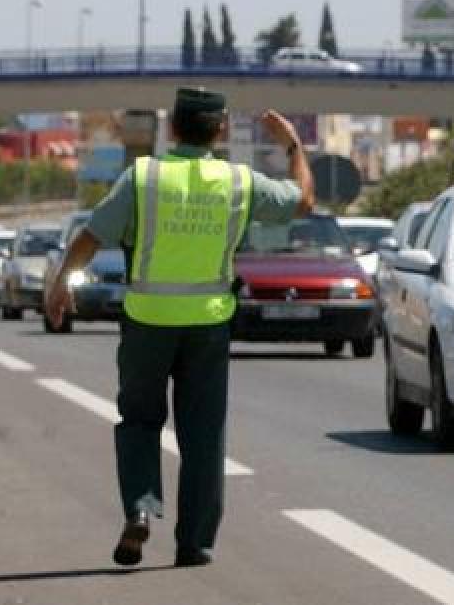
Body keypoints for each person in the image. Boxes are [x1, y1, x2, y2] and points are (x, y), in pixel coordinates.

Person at [44, 87, 315, 568]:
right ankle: (194, 544)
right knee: (203, 436)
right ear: (221, 130)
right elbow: (303, 202)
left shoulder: (143, 178)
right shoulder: (238, 182)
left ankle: (141, 509)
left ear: (172, 129)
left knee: (139, 421)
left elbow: (91, 235)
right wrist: (293, 145)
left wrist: (61, 285)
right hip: (208, 324)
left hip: (147, 321)